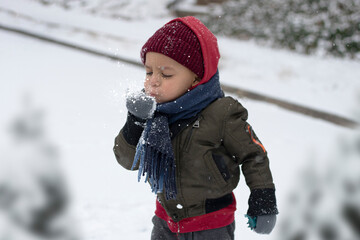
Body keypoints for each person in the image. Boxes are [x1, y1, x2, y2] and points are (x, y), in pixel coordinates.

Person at [113, 16, 278, 239]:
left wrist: (263, 198)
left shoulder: (222, 113)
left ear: (195, 78)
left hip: (211, 224)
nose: (153, 81)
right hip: (166, 219)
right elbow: (128, 161)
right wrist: (135, 122)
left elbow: (253, 154)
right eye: (149, 72)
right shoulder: (153, 114)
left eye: (166, 74)